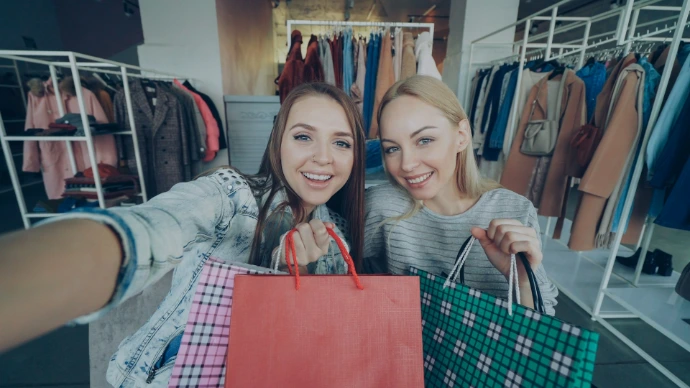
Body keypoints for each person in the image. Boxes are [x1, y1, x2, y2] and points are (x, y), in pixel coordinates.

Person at [0, 82, 366, 385]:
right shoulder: (229, 195)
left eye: (341, 142)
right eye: (304, 137)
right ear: (278, 142)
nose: (323, 158)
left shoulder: (338, 237)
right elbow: (152, 228)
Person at [364, 75, 558, 315]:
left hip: (489, 352)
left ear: (462, 135)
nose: (407, 164)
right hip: (403, 350)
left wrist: (521, 280)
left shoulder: (513, 210)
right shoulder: (382, 206)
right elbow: (347, 282)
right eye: (392, 148)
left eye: (424, 140)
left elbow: (542, 322)